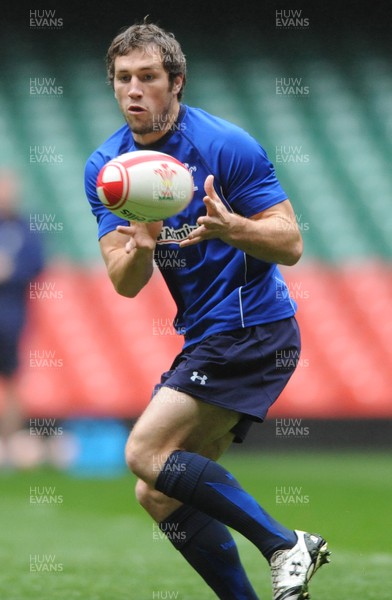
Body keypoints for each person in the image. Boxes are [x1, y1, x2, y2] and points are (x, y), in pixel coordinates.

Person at [85, 19, 330, 599]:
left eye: (148, 77)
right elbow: (123, 283)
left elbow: (290, 243)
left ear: (177, 82)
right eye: (123, 78)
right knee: (159, 491)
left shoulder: (225, 146)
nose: (134, 90)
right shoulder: (109, 171)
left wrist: (233, 227)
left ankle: (284, 544)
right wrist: (141, 244)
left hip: (254, 326)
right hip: (207, 335)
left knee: (145, 452)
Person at [0, 169, 44, 464]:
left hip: (10, 316)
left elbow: (36, 265)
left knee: (12, 380)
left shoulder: (26, 228)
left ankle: (8, 446)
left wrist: (10, 271)